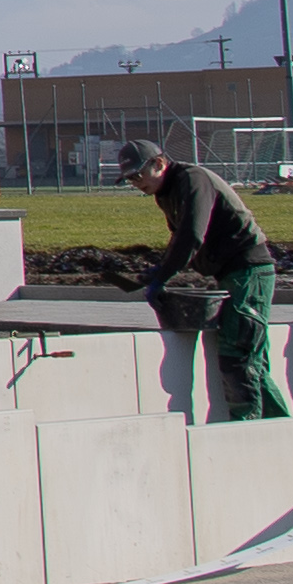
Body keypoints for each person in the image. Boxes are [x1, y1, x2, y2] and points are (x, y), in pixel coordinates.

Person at [122, 140, 281, 422]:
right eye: (129, 179)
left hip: (249, 271)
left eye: (137, 175)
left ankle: (248, 429)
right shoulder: (165, 193)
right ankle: (284, 428)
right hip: (230, 273)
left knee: (239, 358)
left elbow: (192, 236)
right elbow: (180, 238)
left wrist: (164, 275)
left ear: (159, 164)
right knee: (249, 362)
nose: (135, 183)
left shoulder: (192, 180)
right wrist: (160, 269)